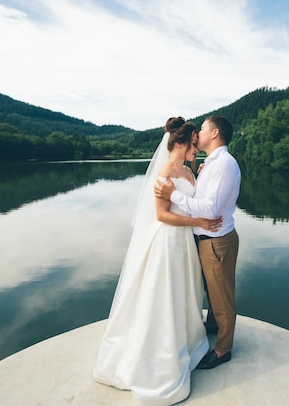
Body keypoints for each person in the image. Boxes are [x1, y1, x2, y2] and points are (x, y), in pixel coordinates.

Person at [93, 117, 222, 405]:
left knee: (185, 292)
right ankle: (156, 354)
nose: (195, 149)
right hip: (168, 241)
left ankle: (186, 337)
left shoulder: (188, 172)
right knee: (165, 293)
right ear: (178, 143)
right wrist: (198, 220)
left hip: (185, 242)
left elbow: (191, 197)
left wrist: (199, 175)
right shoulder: (164, 173)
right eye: (191, 145)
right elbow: (163, 215)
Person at [154, 115, 241, 370]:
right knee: (211, 290)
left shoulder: (224, 163)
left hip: (216, 240)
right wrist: (198, 177)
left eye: (202, 129)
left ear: (214, 134)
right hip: (202, 239)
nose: (198, 134)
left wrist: (174, 195)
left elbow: (210, 208)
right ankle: (213, 326)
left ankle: (223, 349)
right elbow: (202, 196)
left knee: (222, 297)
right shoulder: (209, 164)